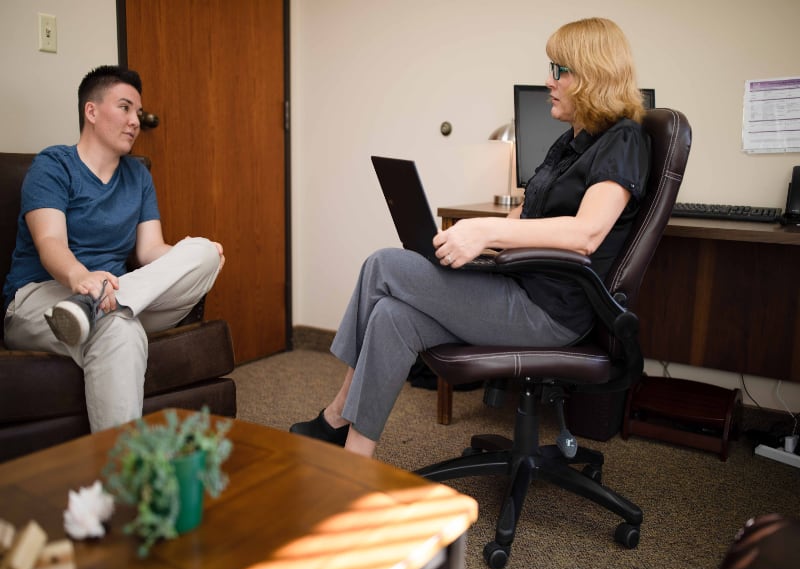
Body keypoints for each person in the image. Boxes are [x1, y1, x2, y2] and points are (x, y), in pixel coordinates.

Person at [290, 17, 650, 458]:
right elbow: (527, 214)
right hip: (518, 287)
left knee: (382, 264)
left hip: (548, 312)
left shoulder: (624, 140)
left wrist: (487, 230)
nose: (548, 81)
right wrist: (467, 240)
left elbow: (586, 234)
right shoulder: (571, 143)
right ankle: (354, 459)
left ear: (592, 74)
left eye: (560, 70)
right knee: (390, 315)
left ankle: (337, 413)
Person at [2, 65, 225, 431]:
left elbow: (151, 251)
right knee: (120, 329)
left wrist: (197, 257)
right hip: (43, 298)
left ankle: (98, 306)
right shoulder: (54, 165)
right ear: (91, 111)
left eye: (138, 113)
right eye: (124, 108)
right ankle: (124, 477)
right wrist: (82, 278)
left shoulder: (137, 175)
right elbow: (50, 242)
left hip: (118, 296)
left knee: (201, 252)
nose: (135, 121)